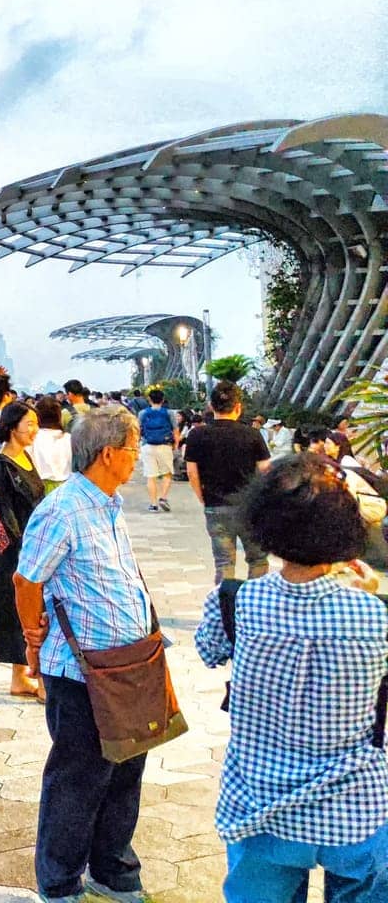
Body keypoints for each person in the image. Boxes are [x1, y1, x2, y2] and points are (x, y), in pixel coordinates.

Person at [194, 453, 388, 902]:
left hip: (259, 804)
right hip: (354, 806)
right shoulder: (376, 616)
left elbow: (208, 653)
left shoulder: (235, 602)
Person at [15, 406, 153, 902]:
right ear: (109, 453)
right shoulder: (63, 508)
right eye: (134, 449)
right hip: (80, 671)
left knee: (126, 770)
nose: (137, 458)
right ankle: (59, 881)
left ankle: (113, 868)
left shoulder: (109, 503)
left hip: (129, 664)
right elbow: (26, 579)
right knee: (79, 778)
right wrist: (33, 638)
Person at [0, 401, 45, 700]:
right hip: (14, 555)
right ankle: (38, 680)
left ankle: (21, 678)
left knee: (32, 612)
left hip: (33, 547)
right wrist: (24, 552)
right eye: (28, 424)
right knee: (21, 612)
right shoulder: (0, 468)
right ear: (11, 426)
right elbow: (3, 517)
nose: (34, 429)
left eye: (35, 423)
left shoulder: (26, 458)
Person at [184, 381, 272, 583]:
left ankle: (225, 610)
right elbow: (265, 470)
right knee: (258, 560)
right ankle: (254, 607)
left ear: (211, 406)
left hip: (216, 506)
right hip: (250, 507)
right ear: (238, 407)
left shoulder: (197, 434)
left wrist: (203, 497)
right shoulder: (253, 434)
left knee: (224, 563)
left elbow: (191, 472)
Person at [136, 388, 178, 513]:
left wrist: (137, 445)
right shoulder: (169, 413)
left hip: (147, 446)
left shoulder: (143, 413)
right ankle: (163, 498)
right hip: (164, 445)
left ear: (149, 400)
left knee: (151, 476)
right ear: (163, 399)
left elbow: (138, 430)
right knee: (167, 474)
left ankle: (153, 504)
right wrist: (175, 444)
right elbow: (175, 430)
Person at [29, 398, 72, 497]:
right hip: (65, 489)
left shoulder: (32, 438)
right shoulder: (68, 438)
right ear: (59, 416)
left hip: (37, 488)